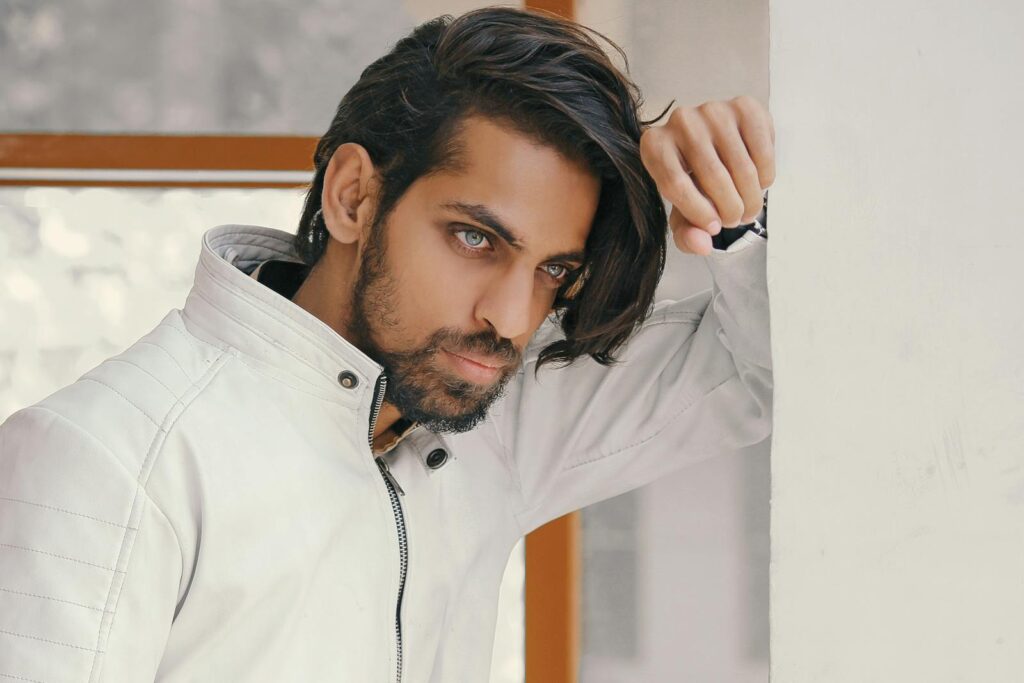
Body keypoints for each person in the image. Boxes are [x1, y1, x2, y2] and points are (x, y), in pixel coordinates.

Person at [0, 7, 774, 682]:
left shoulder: (487, 420)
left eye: (552, 269)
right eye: (475, 237)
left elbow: (762, 373)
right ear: (354, 196)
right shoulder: (107, 458)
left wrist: (728, 211)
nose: (510, 316)